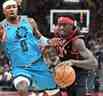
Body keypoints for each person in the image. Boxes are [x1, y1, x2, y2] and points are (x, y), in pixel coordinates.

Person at [0, 0, 60, 96]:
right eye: (8, 8)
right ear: (3, 11)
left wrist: (49, 41)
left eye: (13, 7)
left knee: (55, 93)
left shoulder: (29, 21)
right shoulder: (1, 28)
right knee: (22, 88)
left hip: (38, 63)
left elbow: (39, 37)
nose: (11, 9)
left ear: (17, 8)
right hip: (19, 67)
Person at [51, 16, 98, 96]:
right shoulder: (58, 39)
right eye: (59, 25)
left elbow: (94, 63)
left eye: (64, 25)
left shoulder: (77, 41)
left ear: (71, 26)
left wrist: (72, 62)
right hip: (70, 73)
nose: (61, 27)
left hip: (83, 73)